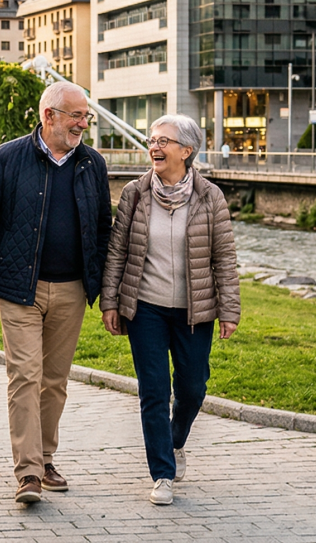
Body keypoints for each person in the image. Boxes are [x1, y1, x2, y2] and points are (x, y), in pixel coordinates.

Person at [0, 81, 112, 504]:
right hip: (18, 289)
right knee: (25, 376)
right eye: (75, 116)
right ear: (48, 115)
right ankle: (28, 473)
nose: (83, 124)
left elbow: (103, 228)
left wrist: (103, 288)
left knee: (55, 381)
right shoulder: (8, 158)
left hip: (71, 290)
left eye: (85, 116)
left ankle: (46, 458)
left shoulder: (92, 164)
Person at [102, 114, 239, 507]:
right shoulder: (135, 193)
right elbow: (117, 251)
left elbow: (224, 258)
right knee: (154, 391)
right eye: (152, 139)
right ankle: (162, 473)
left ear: (187, 150)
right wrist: (110, 300)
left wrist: (229, 309)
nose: (155, 147)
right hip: (145, 307)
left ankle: (175, 442)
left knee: (193, 389)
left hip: (195, 310)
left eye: (164, 141)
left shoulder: (210, 196)